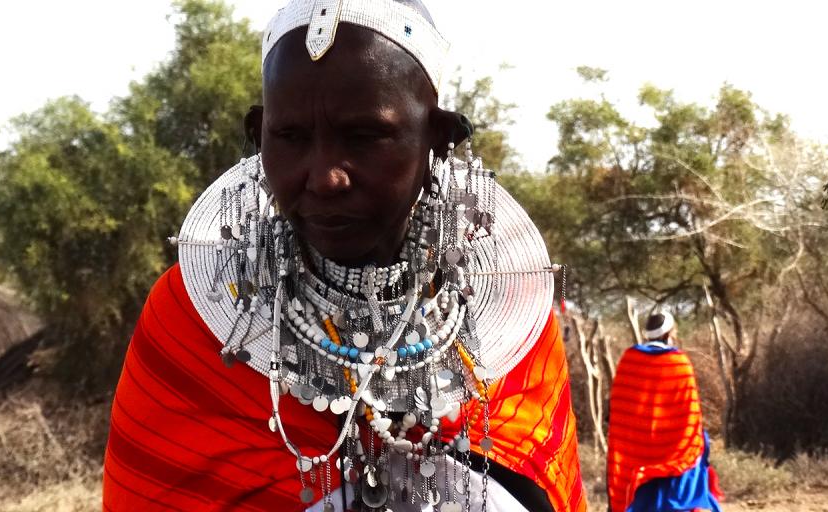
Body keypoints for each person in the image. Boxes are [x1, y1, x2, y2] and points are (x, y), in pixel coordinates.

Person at [102, 1, 585, 510]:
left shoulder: (508, 322)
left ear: (437, 140)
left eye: (365, 136)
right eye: (290, 136)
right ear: (258, 132)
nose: (325, 176)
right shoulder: (192, 319)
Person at [607, 312, 722, 512]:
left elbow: (621, 410)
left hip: (636, 449)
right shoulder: (679, 362)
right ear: (670, 332)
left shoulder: (630, 359)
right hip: (674, 445)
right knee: (699, 444)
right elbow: (690, 415)